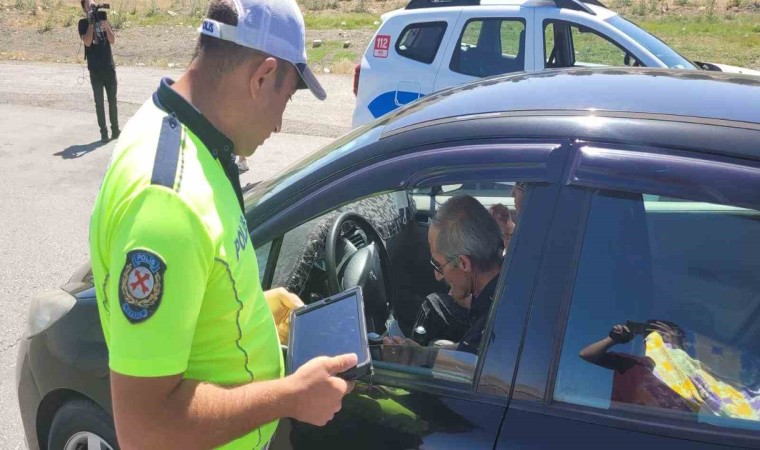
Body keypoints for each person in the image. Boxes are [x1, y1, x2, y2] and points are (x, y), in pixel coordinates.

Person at [88, 0, 354, 448]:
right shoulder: (168, 201)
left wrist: (250, 307)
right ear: (262, 76)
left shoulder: (179, 128)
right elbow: (144, 429)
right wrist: (289, 397)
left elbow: (199, 275)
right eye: (286, 98)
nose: (281, 122)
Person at [387, 195, 503, 355]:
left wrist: (414, 358)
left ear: (464, 263)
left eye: (439, 265)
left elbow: (468, 365)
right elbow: (466, 350)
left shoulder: (494, 324)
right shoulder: (502, 284)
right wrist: (421, 352)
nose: (438, 276)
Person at [579, 320, 695, 412]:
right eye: (655, 335)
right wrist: (613, 339)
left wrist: (677, 347)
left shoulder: (690, 373)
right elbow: (587, 354)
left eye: (676, 337)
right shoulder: (632, 363)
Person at [78, 0, 119, 143]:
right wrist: (91, 21)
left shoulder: (103, 19)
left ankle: (115, 130)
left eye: (93, 3)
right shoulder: (83, 23)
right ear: (84, 8)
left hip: (109, 66)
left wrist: (105, 23)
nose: (92, 6)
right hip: (95, 69)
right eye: (89, 5)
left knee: (113, 101)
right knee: (99, 102)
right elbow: (88, 42)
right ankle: (104, 132)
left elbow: (113, 40)